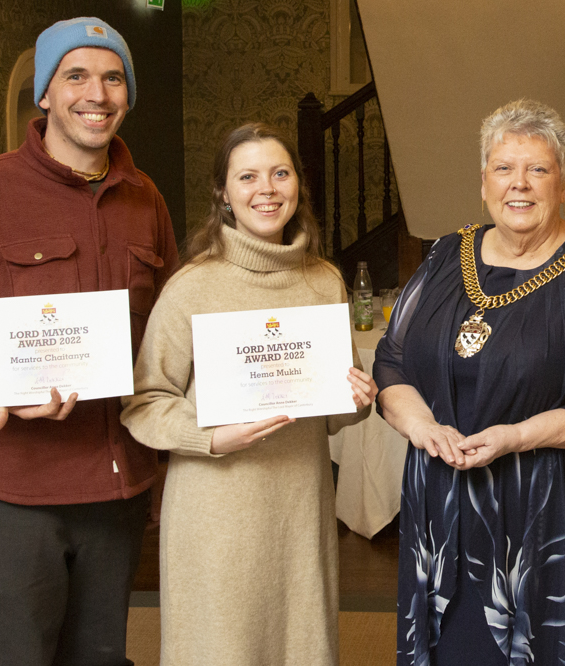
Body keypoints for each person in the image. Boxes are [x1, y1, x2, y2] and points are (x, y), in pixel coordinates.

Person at [375, 98, 565, 666]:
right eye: (504, 168)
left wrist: (515, 436)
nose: (519, 184)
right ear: (484, 182)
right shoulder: (443, 256)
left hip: (549, 509)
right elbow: (392, 361)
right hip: (442, 502)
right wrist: (423, 427)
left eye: (538, 169)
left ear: (563, 184)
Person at [0, 17, 178, 665]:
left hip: (115, 492)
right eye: (75, 75)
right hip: (15, 490)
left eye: (113, 78)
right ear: (45, 94)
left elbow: (159, 334)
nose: (96, 94)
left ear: (128, 94)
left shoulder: (145, 199)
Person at [121, 123, 377, 666]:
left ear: (297, 186)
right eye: (248, 176)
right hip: (216, 510)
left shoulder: (324, 281)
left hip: (299, 507)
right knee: (220, 648)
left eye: (280, 173)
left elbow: (332, 408)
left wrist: (357, 400)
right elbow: (145, 402)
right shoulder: (192, 286)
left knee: (300, 646)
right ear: (224, 194)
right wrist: (210, 437)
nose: (267, 188)